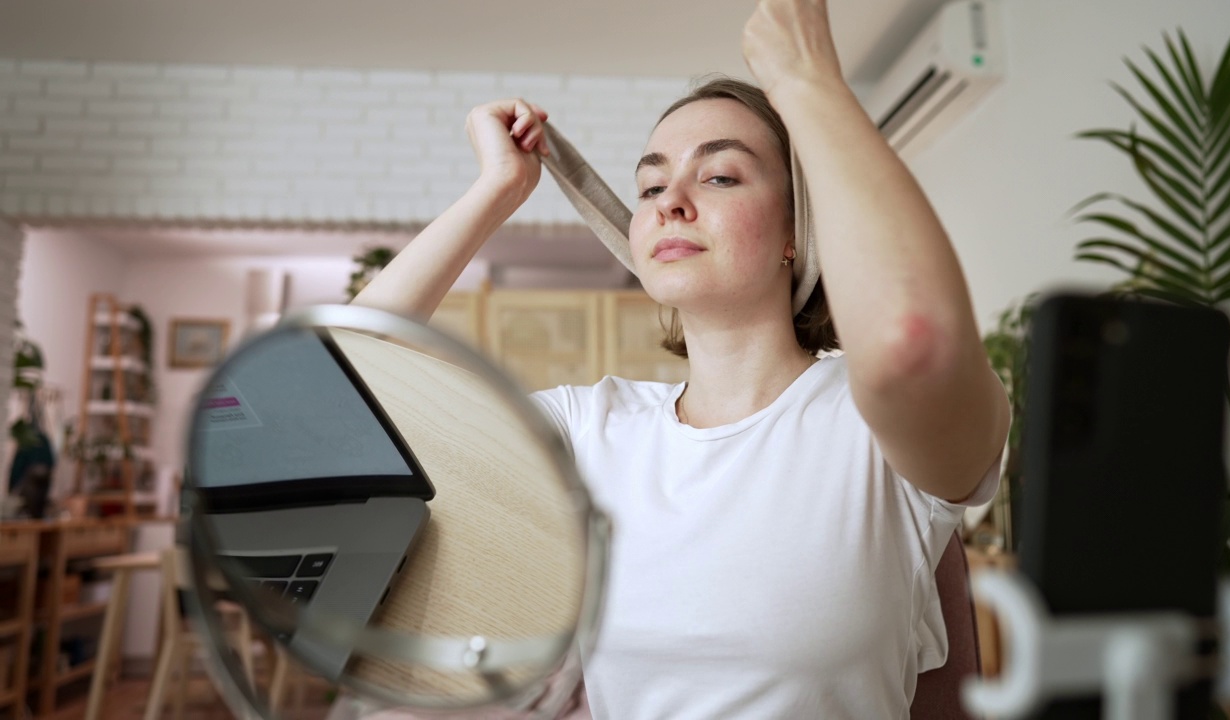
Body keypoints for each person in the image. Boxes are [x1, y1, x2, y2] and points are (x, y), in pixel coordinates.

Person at [354, 0, 1010, 716]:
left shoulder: (871, 427)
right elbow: (342, 375)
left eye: (720, 177)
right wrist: (497, 189)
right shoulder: (588, 429)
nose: (671, 202)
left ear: (799, 229)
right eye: (649, 186)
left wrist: (807, 78)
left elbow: (913, 345)